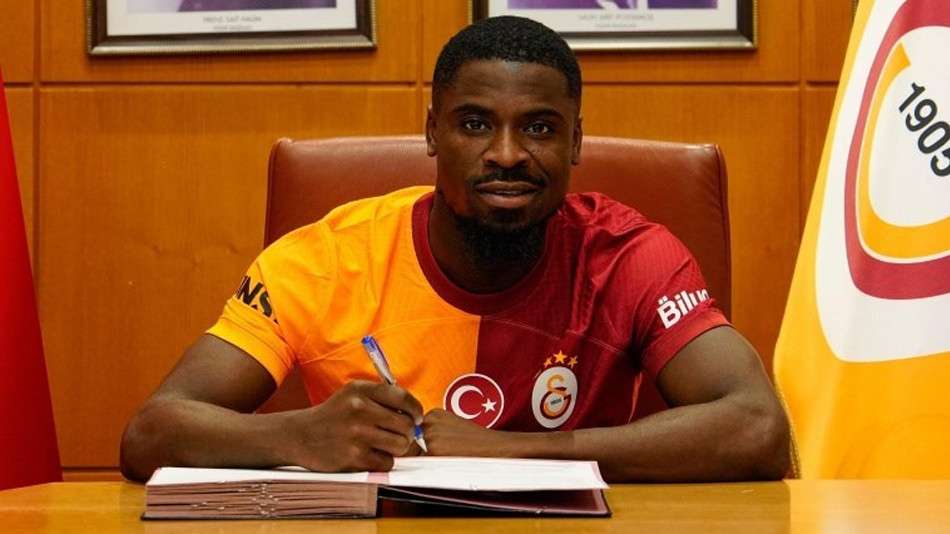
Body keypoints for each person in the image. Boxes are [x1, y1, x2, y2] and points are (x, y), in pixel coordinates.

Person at [120, 16, 789, 483]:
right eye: (475, 124)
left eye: (539, 128)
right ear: (432, 132)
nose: (507, 154)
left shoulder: (629, 254)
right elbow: (151, 433)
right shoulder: (324, 260)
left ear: (576, 143)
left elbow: (758, 427)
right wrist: (297, 435)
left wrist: (511, 452)